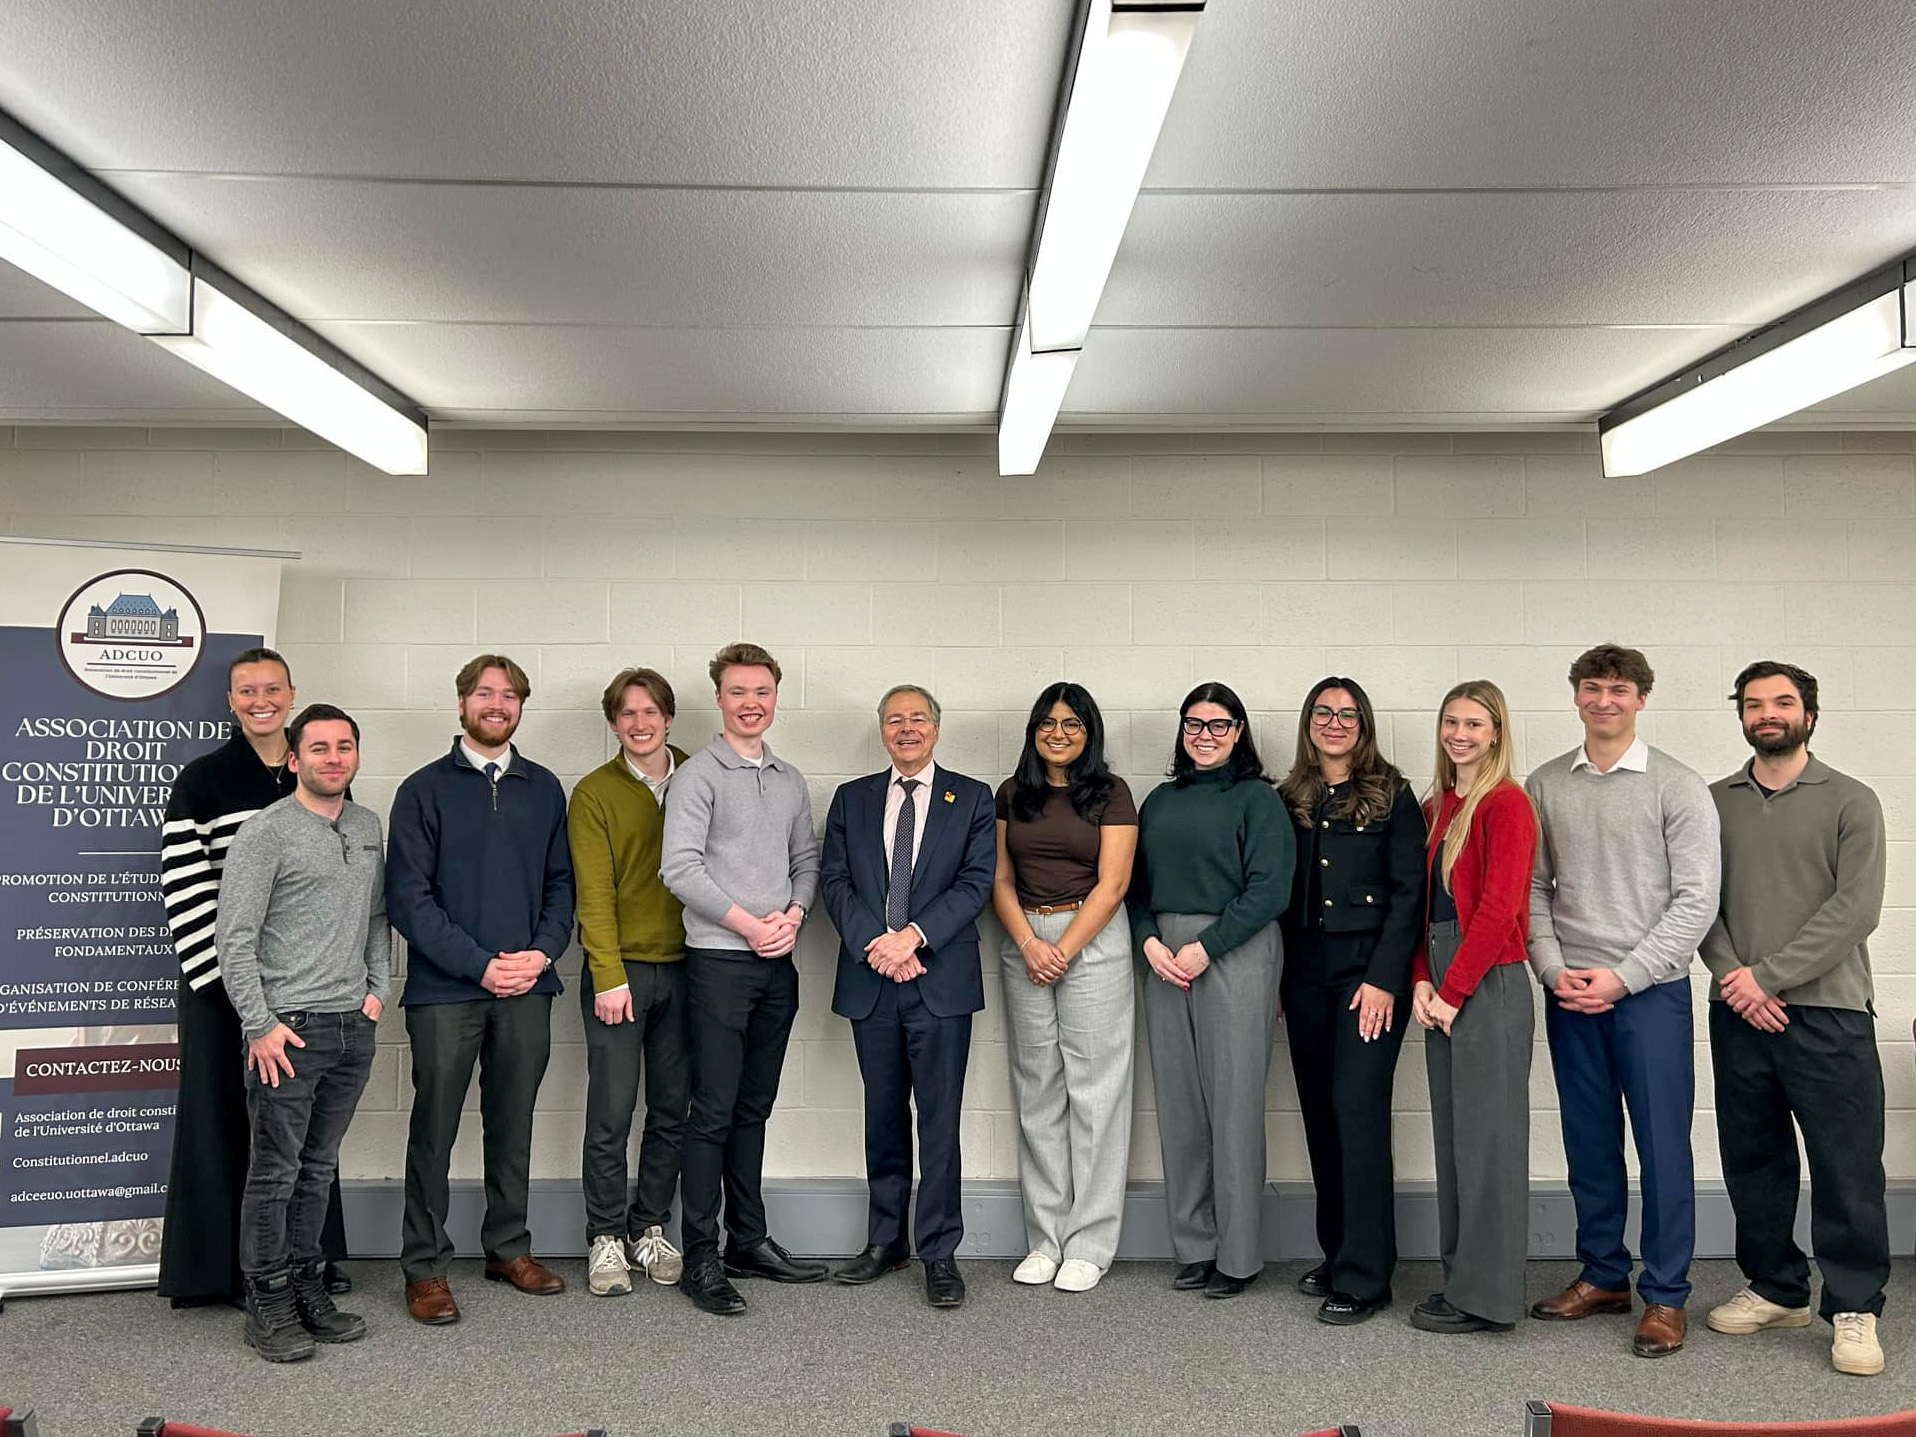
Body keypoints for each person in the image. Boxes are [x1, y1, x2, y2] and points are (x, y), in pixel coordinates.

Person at [1526, 644, 1720, 1359]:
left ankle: (1666, 1294)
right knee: (1589, 1142)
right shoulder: (1546, 783)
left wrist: (1626, 975)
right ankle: (1603, 1272)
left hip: (1649, 994)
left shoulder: (1678, 785)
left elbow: (1696, 899)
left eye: (1618, 688)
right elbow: (1532, 888)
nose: (1603, 699)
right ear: (1575, 695)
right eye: (1591, 687)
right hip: (1570, 991)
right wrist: (1551, 968)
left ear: (1641, 698)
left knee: (1663, 1145)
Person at [1700, 661, 1889, 1377]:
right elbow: (1698, 901)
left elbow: (1856, 908)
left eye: (1783, 701)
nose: (1768, 713)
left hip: (1829, 1011)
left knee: (1846, 1167)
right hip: (1738, 1010)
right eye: (1754, 703)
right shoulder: (1713, 802)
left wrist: (1767, 976)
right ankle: (1778, 1286)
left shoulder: (1852, 800)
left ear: (1810, 712)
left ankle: (1854, 1305)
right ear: (1741, 714)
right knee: (1754, 1158)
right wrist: (1734, 980)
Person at [158, 648, 351, 1307]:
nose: (260, 698)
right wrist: (241, 1003)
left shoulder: (320, 773)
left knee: (298, 1131)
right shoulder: (204, 780)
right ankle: (225, 1270)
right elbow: (185, 894)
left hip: (303, 993)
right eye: (247, 689)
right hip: (222, 991)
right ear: (232, 699)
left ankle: (304, 1260)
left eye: (272, 687)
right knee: (225, 1125)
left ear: (291, 693)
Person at [387, 654, 575, 1324]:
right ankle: (425, 1266)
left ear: (521, 705)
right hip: (446, 989)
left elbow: (563, 887)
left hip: (529, 983)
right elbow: (409, 899)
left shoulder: (546, 788)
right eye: (484, 694)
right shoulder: (421, 790)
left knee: (513, 1121)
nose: (497, 704)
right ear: (461, 702)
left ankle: (507, 1246)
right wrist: (479, 965)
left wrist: (540, 953)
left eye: (509, 695)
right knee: (433, 1128)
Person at [216, 704, 389, 1362]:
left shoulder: (369, 825)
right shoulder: (267, 832)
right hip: (287, 1031)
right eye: (318, 747)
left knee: (317, 1171)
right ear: (294, 758)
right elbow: (233, 937)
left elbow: (378, 915)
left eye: (344, 745)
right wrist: (258, 1023)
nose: (333, 757)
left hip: (352, 1026)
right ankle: (267, 1300)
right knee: (275, 1175)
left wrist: (378, 990)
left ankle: (307, 1285)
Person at [661, 642, 825, 1315]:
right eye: (737, 691)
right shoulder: (698, 774)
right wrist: (749, 925)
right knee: (713, 1112)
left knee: (753, 1109)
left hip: (776, 966)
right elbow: (680, 868)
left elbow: (806, 859)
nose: (751, 702)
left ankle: (747, 1241)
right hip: (720, 964)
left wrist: (792, 913)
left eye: (762, 691)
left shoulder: (788, 778)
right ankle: (700, 1252)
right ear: (720, 698)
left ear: (774, 696)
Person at [821, 684, 995, 1309]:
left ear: (937, 728)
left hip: (939, 981)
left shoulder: (972, 798)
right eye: (894, 720)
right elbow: (834, 882)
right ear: (882, 731)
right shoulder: (852, 799)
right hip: (873, 980)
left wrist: (913, 939)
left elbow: (976, 883)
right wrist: (877, 942)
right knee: (884, 1115)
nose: (906, 728)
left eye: (917, 718)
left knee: (939, 1120)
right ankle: (885, 1242)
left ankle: (939, 1253)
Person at [1131, 683, 1291, 1301]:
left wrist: (1208, 947)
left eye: (1219, 726)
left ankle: (1239, 1254)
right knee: (1180, 1106)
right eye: (1194, 725)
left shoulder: (1258, 801)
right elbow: (1136, 887)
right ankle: (1194, 1246)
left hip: (1235, 949)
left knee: (1234, 1104)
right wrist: (1148, 941)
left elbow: (1270, 889)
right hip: (1163, 955)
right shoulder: (1159, 801)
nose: (1205, 736)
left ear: (1239, 732)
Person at [1275, 676, 1426, 1323]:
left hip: (1366, 976)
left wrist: (1385, 977)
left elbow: (1408, 893)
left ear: (1363, 724)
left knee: (1356, 1112)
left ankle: (1367, 1276)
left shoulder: (1393, 794)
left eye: (1346, 713)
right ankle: (1338, 1252)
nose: (1333, 722)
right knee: (1319, 1113)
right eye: (1322, 712)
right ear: (1309, 722)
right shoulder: (1292, 797)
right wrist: (1280, 980)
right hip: (1306, 974)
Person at [992, 682, 1138, 1294]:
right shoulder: (1011, 794)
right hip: (1024, 940)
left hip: (1093, 941)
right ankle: (1045, 1238)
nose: (1059, 733)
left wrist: (1063, 949)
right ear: (1033, 730)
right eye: (1048, 723)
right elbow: (999, 877)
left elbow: (1113, 883)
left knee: (1096, 1091)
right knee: (1039, 1091)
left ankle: (1091, 1242)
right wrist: (1030, 943)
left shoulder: (1111, 793)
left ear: (1089, 731)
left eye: (1072, 724)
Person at [1407, 681, 1537, 1336]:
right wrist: (1423, 982)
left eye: (1475, 724)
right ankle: (1461, 1279)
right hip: (1445, 985)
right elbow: (1425, 911)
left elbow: (1497, 910)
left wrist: (1454, 989)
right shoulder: (1438, 806)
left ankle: (1489, 1298)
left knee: (1490, 1145)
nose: (1460, 733)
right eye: (1451, 721)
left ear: (1496, 733)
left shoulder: (1506, 804)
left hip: (1488, 987)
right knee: (1456, 1144)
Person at [567, 666, 690, 1297]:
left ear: (669, 717)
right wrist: (608, 975)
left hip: (691, 969)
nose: (639, 724)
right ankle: (605, 1236)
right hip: (620, 974)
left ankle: (650, 1227)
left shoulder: (703, 774)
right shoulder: (594, 793)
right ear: (614, 723)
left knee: (671, 1109)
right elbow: (592, 895)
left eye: (650, 712)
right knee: (612, 1111)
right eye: (626, 715)